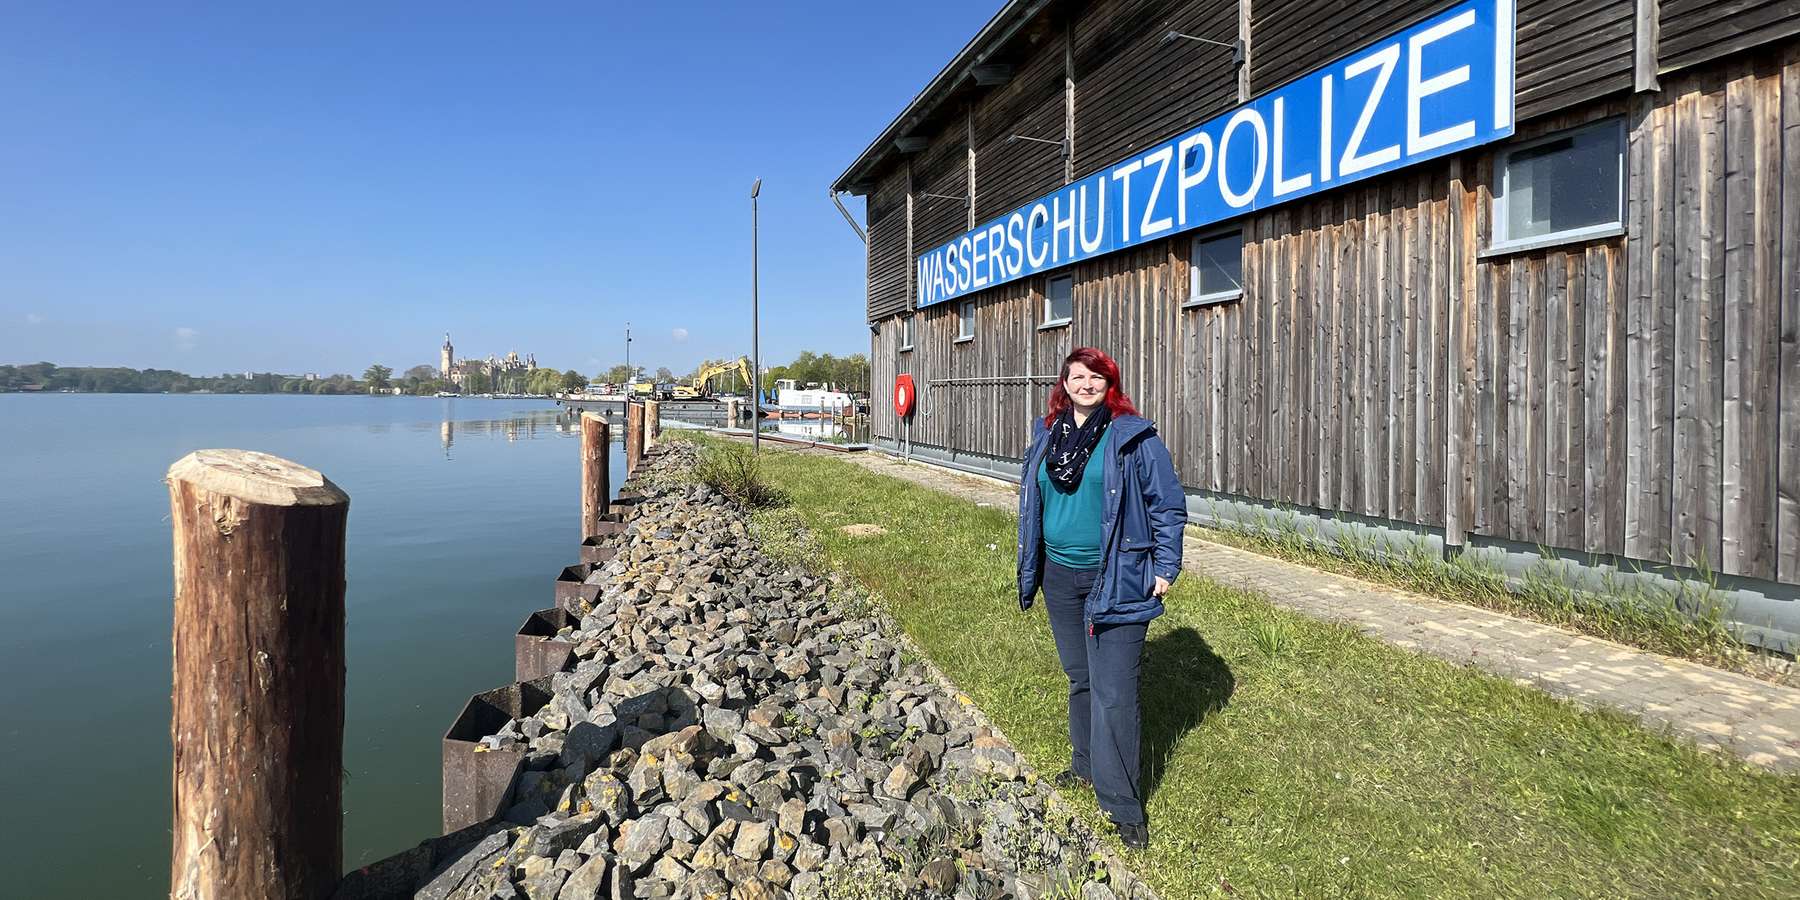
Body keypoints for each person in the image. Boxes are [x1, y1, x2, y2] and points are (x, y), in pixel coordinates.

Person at [1016, 346, 1186, 851]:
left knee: (1115, 691)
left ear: (1109, 384)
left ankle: (1124, 806)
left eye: (1096, 377)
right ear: (1063, 384)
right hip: (1059, 577)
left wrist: (1165, 565)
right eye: (1077, 377)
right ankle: (1086, 769)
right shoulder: (1048, 435)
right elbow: (1033, 499)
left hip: (1117, 576)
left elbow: (1168, 504)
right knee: (1080, 679)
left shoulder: (1133, 437)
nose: (1086, 384)